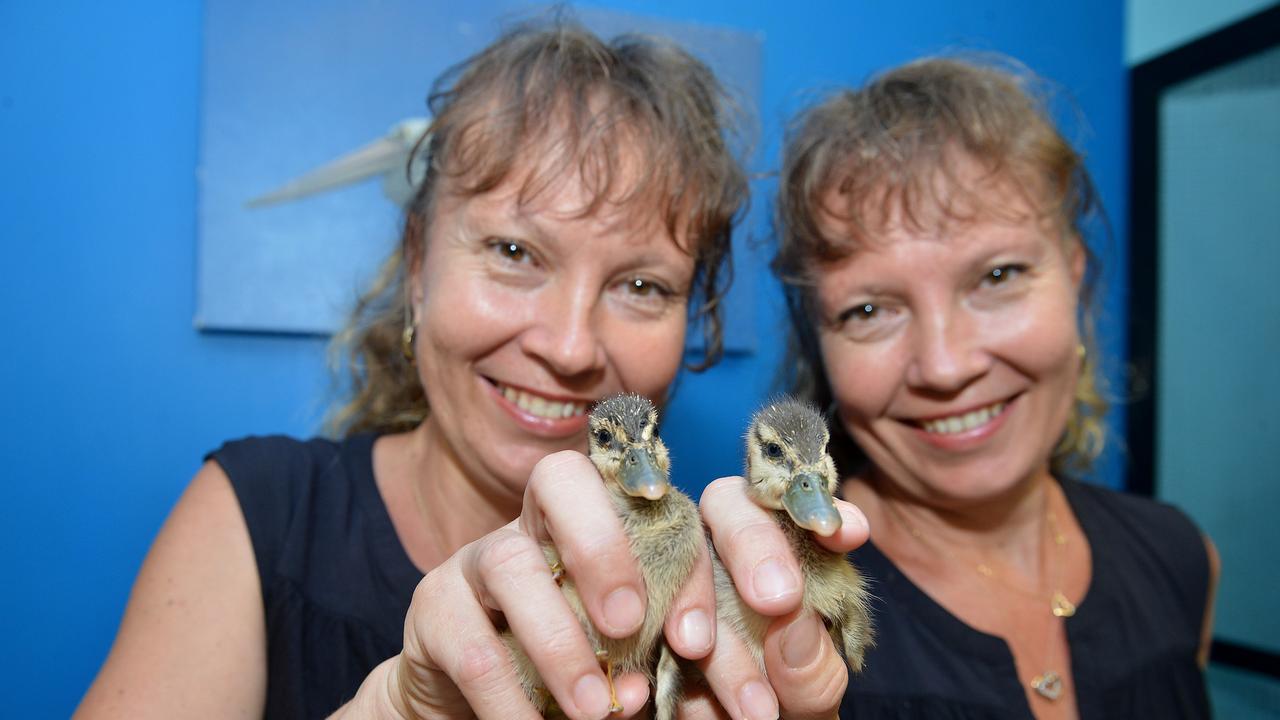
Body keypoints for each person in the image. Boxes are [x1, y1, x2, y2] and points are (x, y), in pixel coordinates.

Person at [76, 20, 867, 720]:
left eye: (641, 285)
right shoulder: (261, 512)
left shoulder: (726, 579)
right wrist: (395, 710)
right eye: (515, 252)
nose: (569, 346)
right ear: (418, 264)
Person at [775, 57, 1218, 718]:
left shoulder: (1181, 558)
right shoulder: (783, 623)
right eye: (868, 311)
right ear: (821, 343)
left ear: (1075, 274)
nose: (946, 367)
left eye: (998, 276)